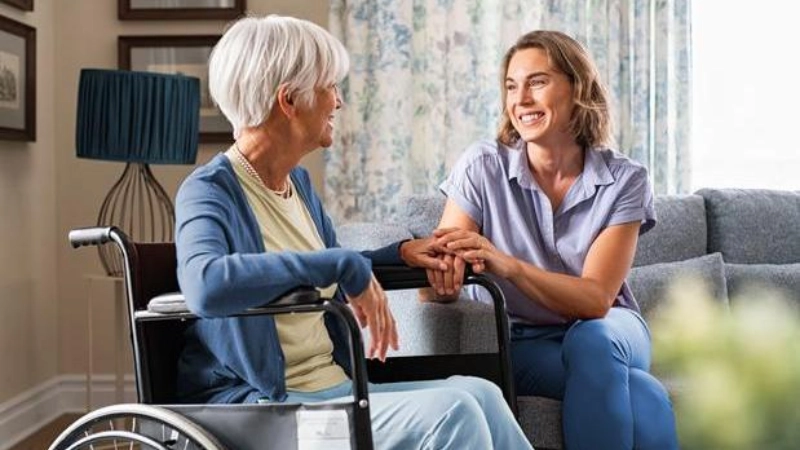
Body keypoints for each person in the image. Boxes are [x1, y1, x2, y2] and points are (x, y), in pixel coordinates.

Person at [174, 14, 533, 450]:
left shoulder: (298, 186)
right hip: (267, 409)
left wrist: (399, 254)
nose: (338, 102)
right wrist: (341, 262)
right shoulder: (209, 191)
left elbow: (321, 270)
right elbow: (205, 286)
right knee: (453, 414)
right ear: (289, 100)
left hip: (332, 389)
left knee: (482, 394)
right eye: (330, 87)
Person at [425, 30, 678, 449]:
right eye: (511, 86)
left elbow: (596, 300)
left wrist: (507, 264)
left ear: (577, 88)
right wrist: (442, 278)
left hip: (611, 329)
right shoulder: (481, 167)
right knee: (645, 393)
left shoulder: (625, 180)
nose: (520, 98)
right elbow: (439, 275)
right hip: (523, 341)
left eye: (537, 82)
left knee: (593, 340)